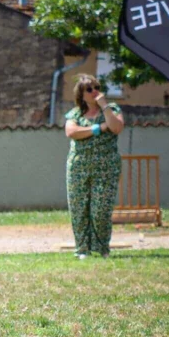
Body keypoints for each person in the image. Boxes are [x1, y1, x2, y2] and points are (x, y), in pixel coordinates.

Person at [64, 74, 125, 259]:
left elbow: (117, 127)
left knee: (101, 210)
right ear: (82, 95)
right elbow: (72, 132)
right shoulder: (75, 114)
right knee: (79, 210)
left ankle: (102, 248)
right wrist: (99, 128)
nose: (94, 91)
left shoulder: (112, 108)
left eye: (96, 87)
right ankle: (82, 249)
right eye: (89, 89)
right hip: (78, 168)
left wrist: (104, 105)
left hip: (106, 168)